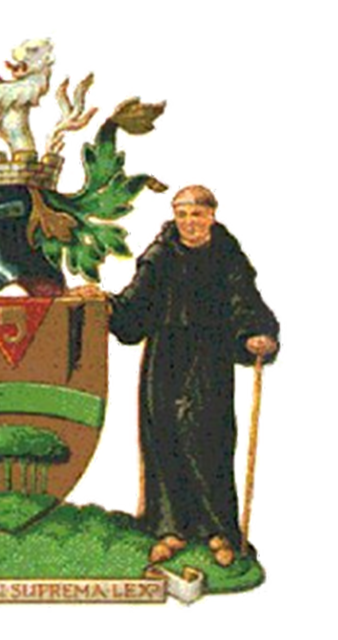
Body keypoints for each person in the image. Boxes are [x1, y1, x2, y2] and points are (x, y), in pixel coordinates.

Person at [78, 185, 278, 566]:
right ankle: (169, 528)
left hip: (210, 358)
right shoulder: (160, 257)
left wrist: (256, 334)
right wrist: (108, 305)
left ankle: (219, 530)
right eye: (182, 214)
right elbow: (136, 304)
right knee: (164, 436)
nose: (189, 222)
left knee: (211, 439)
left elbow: (245, 303)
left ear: (212, 215)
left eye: (197, 214)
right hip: (166, 356)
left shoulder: (227, 258)